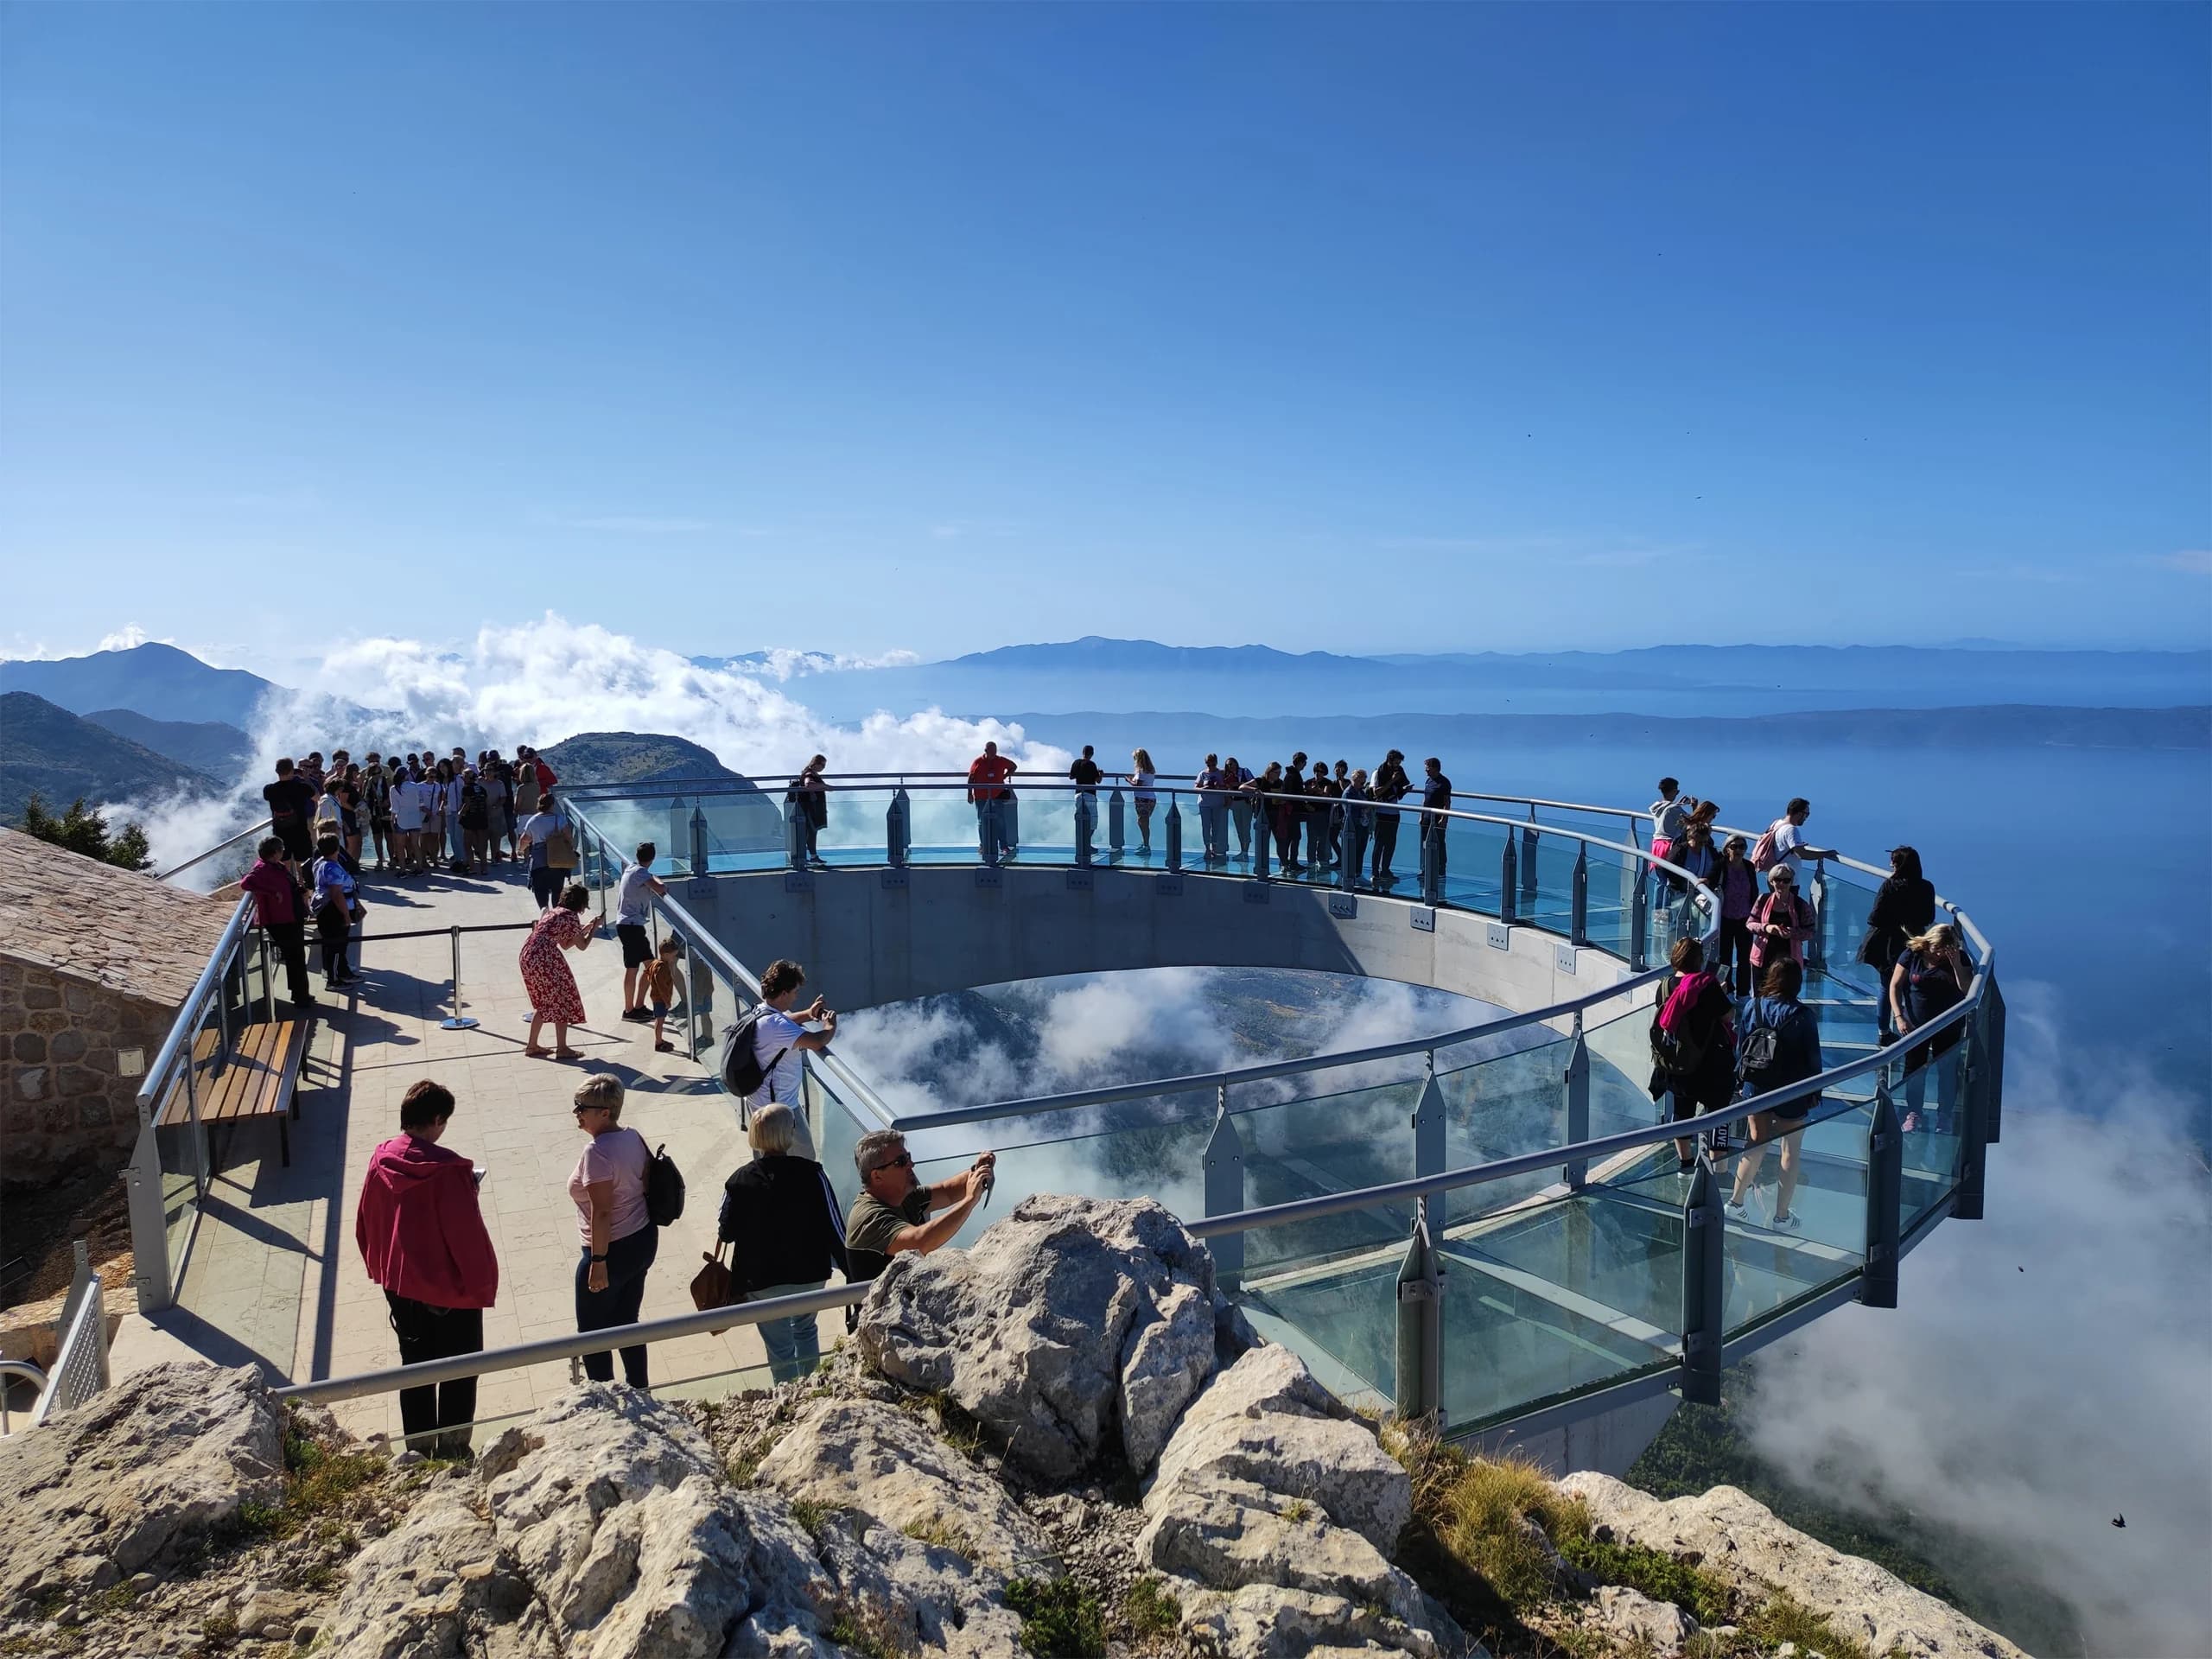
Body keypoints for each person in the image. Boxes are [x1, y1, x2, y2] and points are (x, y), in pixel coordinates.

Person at [354, 1079, 499, 1457]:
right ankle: (451, 1455)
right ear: (436, 1119)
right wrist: (483, 1286)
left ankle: (416, 1454)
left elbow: (366, 1220)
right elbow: (466, 1240)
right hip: (450, 1294)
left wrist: (382, 1271)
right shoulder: (448, 1172)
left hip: (402, 1288)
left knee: (415, 1371)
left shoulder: (381, 1158)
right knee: (460, 1371)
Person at [717, 1103, 849, 1384]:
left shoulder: (739, 1180)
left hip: (761, 1280)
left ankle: (787, 1398)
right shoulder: (813, 1174)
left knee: (779, 1345)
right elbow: (835, 1226)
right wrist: (852, 1271)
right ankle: (812, 1390)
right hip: (809, 1275)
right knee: (805, 1328)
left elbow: (726, 1231)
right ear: (787, 1135)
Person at [568, 1076, 657, 1388]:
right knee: (627, 1321)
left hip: (611, 1250)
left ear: (605, 1112)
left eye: (582, 1108)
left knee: (593, 1332)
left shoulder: (597, 1152)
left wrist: (598, 1261)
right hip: (642, 1240)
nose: (576, 1113)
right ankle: (640, 1389)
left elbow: (602, 1212)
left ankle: (605, 1398)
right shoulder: (633, 1137)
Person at [1726, 958, 1826, 1229]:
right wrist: (1816, 1091)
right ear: (1797, 982)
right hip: (1792, 1089)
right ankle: (1781, 1216)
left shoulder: (1752, 1006)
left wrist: (1741, 1080)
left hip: (1757, 1085)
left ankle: (1735, 1203)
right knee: (1790, 1151)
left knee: (1756, 1141)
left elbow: (1742, 1046)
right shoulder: (1802, 1015)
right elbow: (1813, 1058)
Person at [844, 1130, 998, 1284]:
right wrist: (970, 1200)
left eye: (908, 1157)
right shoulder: (869, 1218)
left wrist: (978, 1171)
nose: (911, 1165)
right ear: (877, 1176)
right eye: (901, 1162)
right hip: (880, 1306)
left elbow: (947, 1191)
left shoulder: (902, 1196)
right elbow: (920, 1242)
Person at [1649, 937, 1738, 1171]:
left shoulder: (1665, 985)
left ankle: (1685, 1164)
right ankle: (1718, 1170)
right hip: (1711, 1063)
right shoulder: (1706, 984)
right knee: (1718, 1114)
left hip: (1679, 1063)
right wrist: (1722, 992)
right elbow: (1728, 1015)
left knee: (1682, 1112)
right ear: (1699, 960)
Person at [1890, 924, 1970, 1136]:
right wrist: (1899, 1016)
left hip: (1948, 1025)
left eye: (1945, 950)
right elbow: (1895, 985)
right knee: (1914, 1070)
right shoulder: (1912, 954)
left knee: (1947, 1072)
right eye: (1937, 949)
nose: (1939, 954)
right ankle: (1913, 1112)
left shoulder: (1958, 958)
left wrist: (1956, 966)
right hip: (1915, 1025)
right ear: (1929, 942)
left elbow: (1968, 990)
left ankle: (1945, 1115)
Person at [740, 957, 838, 1122]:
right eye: (795, 992)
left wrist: (808, 1014)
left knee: (764, 1147)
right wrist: (830, 1025)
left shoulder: (761, 1012)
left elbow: (784, 1024)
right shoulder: (777, 1024)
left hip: (760, 1102)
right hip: (779, 1110)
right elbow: (817, 1042)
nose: (796, 997)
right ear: (784, 993)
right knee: (803, 1148)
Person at [1860, 847, 1936, 1042]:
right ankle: (1913, 1030)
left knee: (1887, 986)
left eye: (1893, 861)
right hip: (1914, 942)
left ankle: (1884, 1032)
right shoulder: (1926, 887)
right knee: (1910, 985)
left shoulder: (1890, 886)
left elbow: (1874, 918)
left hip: (1887, 944)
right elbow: (1929, 917)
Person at [520, 882, 594, 1059]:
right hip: (545, 958)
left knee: (544, 1002)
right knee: (562, 999)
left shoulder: (555, 912)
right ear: (581, 902)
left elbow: (566, 944)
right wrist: (595, 929)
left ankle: (532, 1046)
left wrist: (586, 929)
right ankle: (562, 1048)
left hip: (529, 955)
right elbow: (582, 946)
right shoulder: (570, 916)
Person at [241, 836, 314, 1010]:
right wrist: (273, 893)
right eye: (281, 850)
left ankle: (301, 993)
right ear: (274, 853)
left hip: (291, 916)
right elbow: (246, 883)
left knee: (297, 956)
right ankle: (300, 997)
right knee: (294, 956)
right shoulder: (262, 869)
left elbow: (289, 885)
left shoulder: (277, 866)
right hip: (280, 920)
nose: (283, 852)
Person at [617, 843, 670, 1022]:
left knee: (646, 967)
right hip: (632, 926)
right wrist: (659, 882)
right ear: (652, 859)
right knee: (639, 968)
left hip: (628, 925)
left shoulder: (632, 868)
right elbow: (660, 888)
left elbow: (649, 880)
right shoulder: (641, 873)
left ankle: (636, 1007)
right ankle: (630, 1009)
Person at [1748, 865, 1817, 977]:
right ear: (1771, 881)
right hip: (1763, 957)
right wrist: (1767, 928)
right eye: (1778, 880)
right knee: (1760, 993)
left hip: (1789, 961)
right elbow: (1750, 924)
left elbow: (1811, 931)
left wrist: (1792, 933)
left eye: (1786, 880)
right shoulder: (1762, 900)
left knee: (1786, 993)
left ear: (1791, 882)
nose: (1782, 884)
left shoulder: (1801, 905)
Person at [310, 833, 359, 988]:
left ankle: (342, 973)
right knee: (336, 947)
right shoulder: (332, 868)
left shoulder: (320, 863)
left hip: (327, 910)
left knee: (335, 945)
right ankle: (333, 980)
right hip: (334, 911)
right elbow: (336, 894)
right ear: (337, 848)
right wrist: (346, 915)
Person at [1714, 835, 1759, 997]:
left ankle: (1743, 993)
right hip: (1724, 919)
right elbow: (1711, 882)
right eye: (1735, 847)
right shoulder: (1720, 865)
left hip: (1744, 919)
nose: (1739, 850)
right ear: (1727, 849)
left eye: (1742, 847)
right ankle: (1725, 990)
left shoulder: (1749, 866)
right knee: (1723, 958)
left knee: (1745, 958)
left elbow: (1753, 889)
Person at [1760, 798, 1838, 885]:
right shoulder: (1791, 830)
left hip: (1774, 876)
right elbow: (1801, 854)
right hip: (1786, 882)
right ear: (1799, 813)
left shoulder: (1776, 823)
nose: (1806, 818)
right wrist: (1825, 854)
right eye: (1806, 814)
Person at [263, 759, 318, 873]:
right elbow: (317, 797)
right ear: (292, 771)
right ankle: (304, 888)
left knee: (284, 866)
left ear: (277, 771)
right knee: (304, 865)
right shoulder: (301, 787)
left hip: (280, 834)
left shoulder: (269, 789)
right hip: (300, 832)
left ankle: (288, 888)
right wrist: (306, 778)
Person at [518, 791, 570, 910]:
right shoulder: (559, 819)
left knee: (540, 890)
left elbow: (525, 839)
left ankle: (544, 913)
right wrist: (569, 848)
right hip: (557, 859)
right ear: (552, 805)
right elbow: (568, 836)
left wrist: (521, 851)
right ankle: (556, 916)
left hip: (539, 861)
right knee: (557, 891)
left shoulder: (533, 820)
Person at [966, 741, 1018, 861]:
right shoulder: (978, 762)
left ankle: (1004, 846)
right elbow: (971, 778)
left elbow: (1013, 766)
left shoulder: (1000, 760)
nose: (993, 754)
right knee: (981, 822)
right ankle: (983, 846)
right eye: (991, 751)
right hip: (980, 796)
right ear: (986, 751)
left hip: (997, 795)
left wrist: (1005, 776)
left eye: (995, 751)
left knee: (1000, 820)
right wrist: (969, 793)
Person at [1370, 751, 1410, 887]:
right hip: (1381, 812)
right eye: (1396, 762)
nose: (1397, 765)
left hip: (1394, 813)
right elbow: (1376, 792)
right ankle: (1375, 872)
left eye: (1399, 763)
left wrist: (1404, 789)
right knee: (1379, 843)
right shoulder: (1378, 773)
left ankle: (1385, 870)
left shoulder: (1400, 771)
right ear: (1390, 760)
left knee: (1391, 844)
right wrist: (1392, 780)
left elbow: (1400, 788)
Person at [785, 755, 830, 869]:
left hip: (811, 807)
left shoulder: (811, 773)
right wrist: (825, 786)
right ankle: (809, 857)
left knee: (810, 832)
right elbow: (808, 784)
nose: (823, 767)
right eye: (822, 764)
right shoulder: (809, 774)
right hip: (810, 808)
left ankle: (808, 856)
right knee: (811, 832)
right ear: (816, 763)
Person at [1418, 756, 1453, 893]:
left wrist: (1444, 819)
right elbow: (1425, 799)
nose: (1426, 771)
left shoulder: (1444, 783)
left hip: (1437, 818)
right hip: (1426, 818)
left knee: (1439, 843)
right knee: (1425, 844)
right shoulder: (1428, 781)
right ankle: (1425, 869)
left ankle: (1440, 870)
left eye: (1428, 768)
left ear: (1435, 768)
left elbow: (1447, 802)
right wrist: (1421, 815)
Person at [643, 935, 682, 1054]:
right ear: (666, 955)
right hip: (660, 999)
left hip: (656, 997)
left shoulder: (655, 963)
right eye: (673, 955)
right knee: (660, 1021)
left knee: (659, 1020)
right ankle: (658, 1043)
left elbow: (647, 971)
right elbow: (662, 986)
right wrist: (667, 1001)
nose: (674, 958)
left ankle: (659, 1040)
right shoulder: (662, 967)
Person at [1339, 768, 1372, 885]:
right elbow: (1349, 813)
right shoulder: (1349, 793)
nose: (1363, 784)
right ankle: (1350, 875)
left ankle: (1357, 874)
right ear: (1355, 779)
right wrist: (1363, 810)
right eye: (1361, 782)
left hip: (1362, 826)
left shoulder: (1361, 792)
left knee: (1360, 851)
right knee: (1352, 852)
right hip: (1353, 828)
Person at [1194, 753, 1230, 861]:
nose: (1211, 766)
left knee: (1216, 827)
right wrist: (1204, 788)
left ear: (1216, 762)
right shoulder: (1202, 774)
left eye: (1213, 764)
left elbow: (1228, 786)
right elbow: (1195, 788)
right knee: (1206, 827)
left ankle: (1214, 849)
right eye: (1209, 764)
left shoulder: (1221, 773)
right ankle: (1207, 849)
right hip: (1204, 804)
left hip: (1217, 804)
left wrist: (1218, 787)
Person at [456, 767, 491, 874]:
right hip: (482, 817)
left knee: (467, 844)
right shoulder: (481, 789)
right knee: (482, 844)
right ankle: (484, 868)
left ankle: (472, 868)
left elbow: (467, 803)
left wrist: (460, 813)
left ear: (467, 777)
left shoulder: (466, 789)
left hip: (470, 818)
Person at [1306, 761, 1338, 871]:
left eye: (1321, 771)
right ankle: (1311, 861)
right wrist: (1313, 791)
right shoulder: (1308, 782)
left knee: (1323, 838)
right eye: (1317, 771)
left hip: (1324, 812)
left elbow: (1326, 794)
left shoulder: (1328, 782)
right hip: (1311, 813)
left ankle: (1322, 860)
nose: (1318, 773)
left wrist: (1315, 790)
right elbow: (1305, 794)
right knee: (1311, 838)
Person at [363, 755, 392, 871]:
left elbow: (392, 793)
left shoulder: (386, 780)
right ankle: (380, 860)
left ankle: (392, 860)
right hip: (374, 813)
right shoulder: (368, 783)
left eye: (379, 772)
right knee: (377, 837)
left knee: (389, 837)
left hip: (386, 811)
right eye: (375, 773)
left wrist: (388, 802)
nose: (377, 775)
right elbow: (365, 797)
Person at [1127, 748, 1159, 853]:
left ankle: (1146, 845)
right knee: (1144, 821)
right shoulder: (1150, 770)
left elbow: (1138, 785)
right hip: (1150, 798)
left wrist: (1129, 780)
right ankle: (1145, 843)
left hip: (1142, 799)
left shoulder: (1141, 771)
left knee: (1142, 822)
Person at [1223, 756, 1254, 858]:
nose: (1229, 766)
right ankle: (1242, 851)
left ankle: (1246, 851)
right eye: (1227, 765)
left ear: (1236, 763)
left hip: (1246, 802)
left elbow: (1253, 783)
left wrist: (1238, 783)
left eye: (1231, 764)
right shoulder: (1228, 776)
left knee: (1246, 827)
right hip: (1235, 802)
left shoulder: (1245, 771)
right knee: (1239, 828)